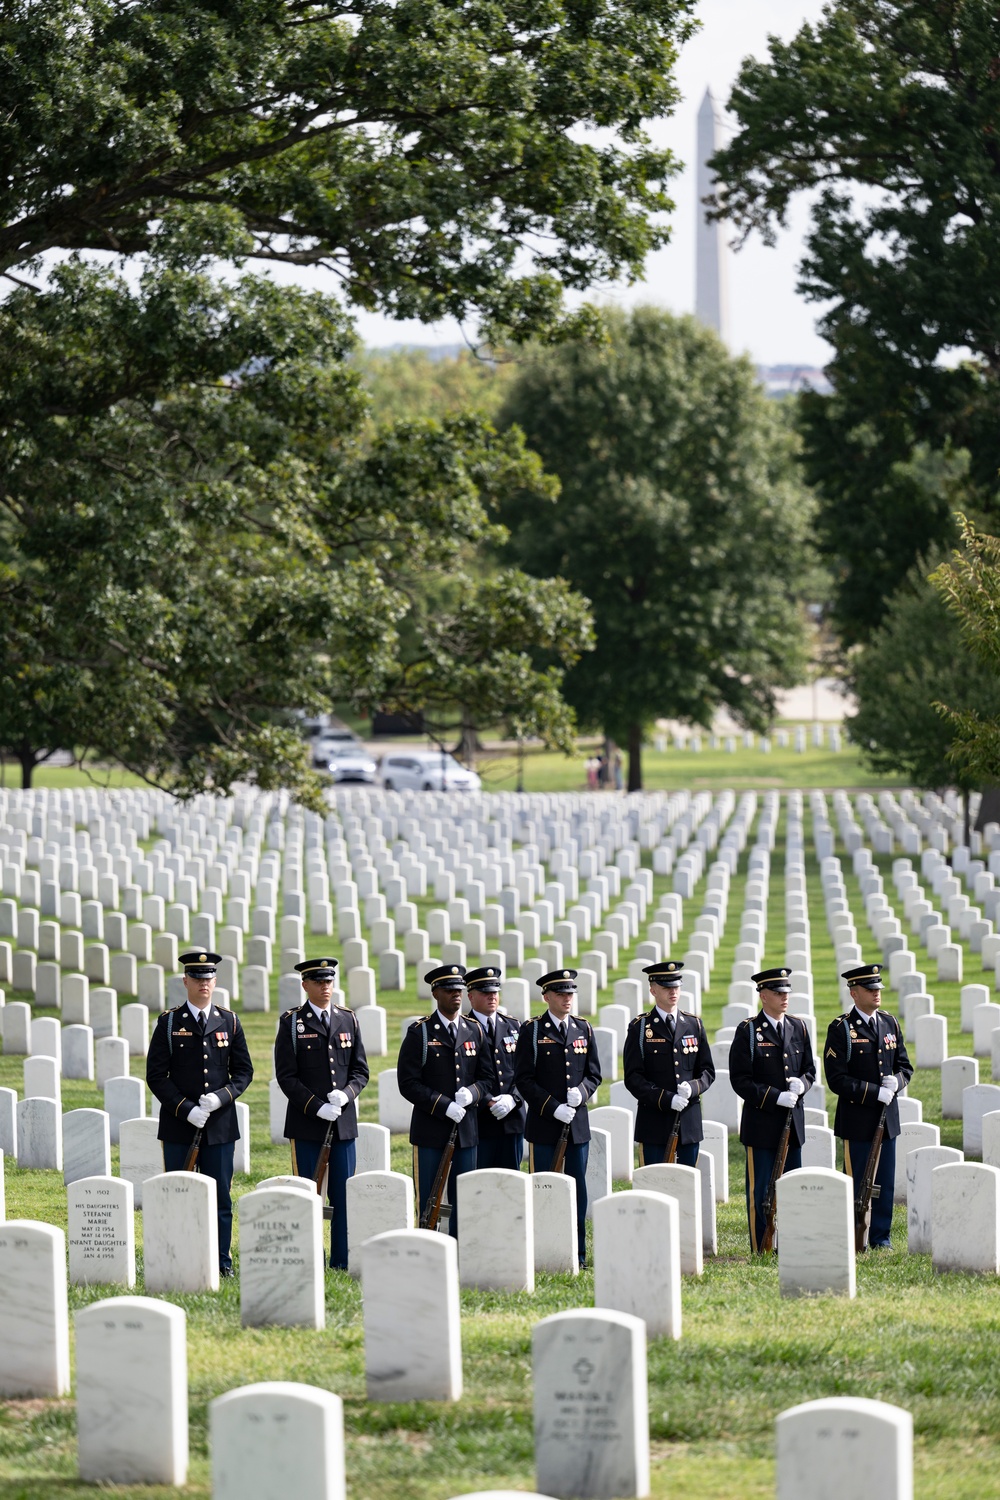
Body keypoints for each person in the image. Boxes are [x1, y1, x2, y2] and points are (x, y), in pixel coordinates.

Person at [146, 950, 253, 1278]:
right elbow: (156, 1076)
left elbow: (244, 1073)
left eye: (209, 978)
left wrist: (222, 1098)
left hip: (220, 1127)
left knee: (221, 1196)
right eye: (197, 978)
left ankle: (222, 1262)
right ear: (186, 981)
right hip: (180, 1126)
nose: (203, 983)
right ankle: (180, 1258)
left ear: (215, 981)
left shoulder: (230, 1021)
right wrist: (185, 1108)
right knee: (179, 1195)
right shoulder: (169, 1023)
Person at [273, 955, 369, 1271]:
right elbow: (287, 1076)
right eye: (318, 981)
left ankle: (341, 1260)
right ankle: (310, 1259)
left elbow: (360, 1071)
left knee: (343, 1197)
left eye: (328, 981)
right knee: (308, 1195)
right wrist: (317, 1107)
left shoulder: (348, 1019)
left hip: (343, 1124)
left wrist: (345, 1094)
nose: (325, 987)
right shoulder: (291, 1023)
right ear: (305, 985)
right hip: (306, 1124)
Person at [396, 964, 497, 1238]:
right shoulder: (421, 1032)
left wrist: (473, 1094)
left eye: (459, 990)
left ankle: (462, 1248)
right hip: (430, 1129)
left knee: (465, 1197)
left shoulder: (474, 1030)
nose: (456, 994)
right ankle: (429, 1245)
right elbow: (408, 1083)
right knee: (429, 1196)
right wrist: (444, 1105)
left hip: (466, 1131)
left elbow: (488, 1077)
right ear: (435, 993)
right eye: (449, 990)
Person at [513, 968, 602, 1267]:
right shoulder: (533, 1031)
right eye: (561, 994)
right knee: (544, 1189)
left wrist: (583, 1092)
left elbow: (594, 1074)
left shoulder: (583, 1029)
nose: (567, 999)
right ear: (546, 996)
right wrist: (552, 1107)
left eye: (571, 994)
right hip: (544, 1124)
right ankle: (545, 1251)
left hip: (577, 1127)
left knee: (578, 1191)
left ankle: (578, 1254)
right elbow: (523, 1079)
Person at [824, 962, 914, 1250]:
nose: (877, 993)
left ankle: (881, 1238)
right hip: (858, 1118)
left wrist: (897, 1082)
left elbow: (905, 1066)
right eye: (870, 989)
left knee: (885, 1184)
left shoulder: (890, 1023)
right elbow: (837, 1079)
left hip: (888, 1118)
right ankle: (855, 1237)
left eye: (878, 988)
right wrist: (875, 1092)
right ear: (854, 992)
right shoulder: (842, 1029)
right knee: (857, 1181)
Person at [728, 967, 816, 1254]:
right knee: (762, 1190)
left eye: (787, 992)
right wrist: (775, 1097)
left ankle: (792, 1245)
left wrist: (801, 1085)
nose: (784, 997)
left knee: (793, 1189)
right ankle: (761, 1246)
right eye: (778, 993)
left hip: (793, 1123)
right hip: (762, 1123)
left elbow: (810, 1071)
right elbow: (740, 1079)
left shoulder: (799, 1027)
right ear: (763, 996)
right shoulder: (749, 1031)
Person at [623, 960, 715, 1167]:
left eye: (676, 986)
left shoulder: (694, 1024)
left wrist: (693, 1087)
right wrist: (666, 1099)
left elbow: (707, 1071)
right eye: (666, 987)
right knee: (654, 1186)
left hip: (688, 1124)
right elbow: (633, 1077)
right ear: (653, 990)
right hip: (654, 1122)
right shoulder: (640, 1027)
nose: (673, 992)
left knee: (688, 1188)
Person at [464, 965, 525, 1171]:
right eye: (485, 992)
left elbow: (526, 1070)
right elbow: (461, 1075)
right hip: (479, 1121)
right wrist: (487, 1100)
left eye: (495, 992)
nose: (492, 997)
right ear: (471, 996)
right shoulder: (463, 1029)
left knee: (512, 1184)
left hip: (512, 1119)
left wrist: (514, 1098)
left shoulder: (514, 1026)